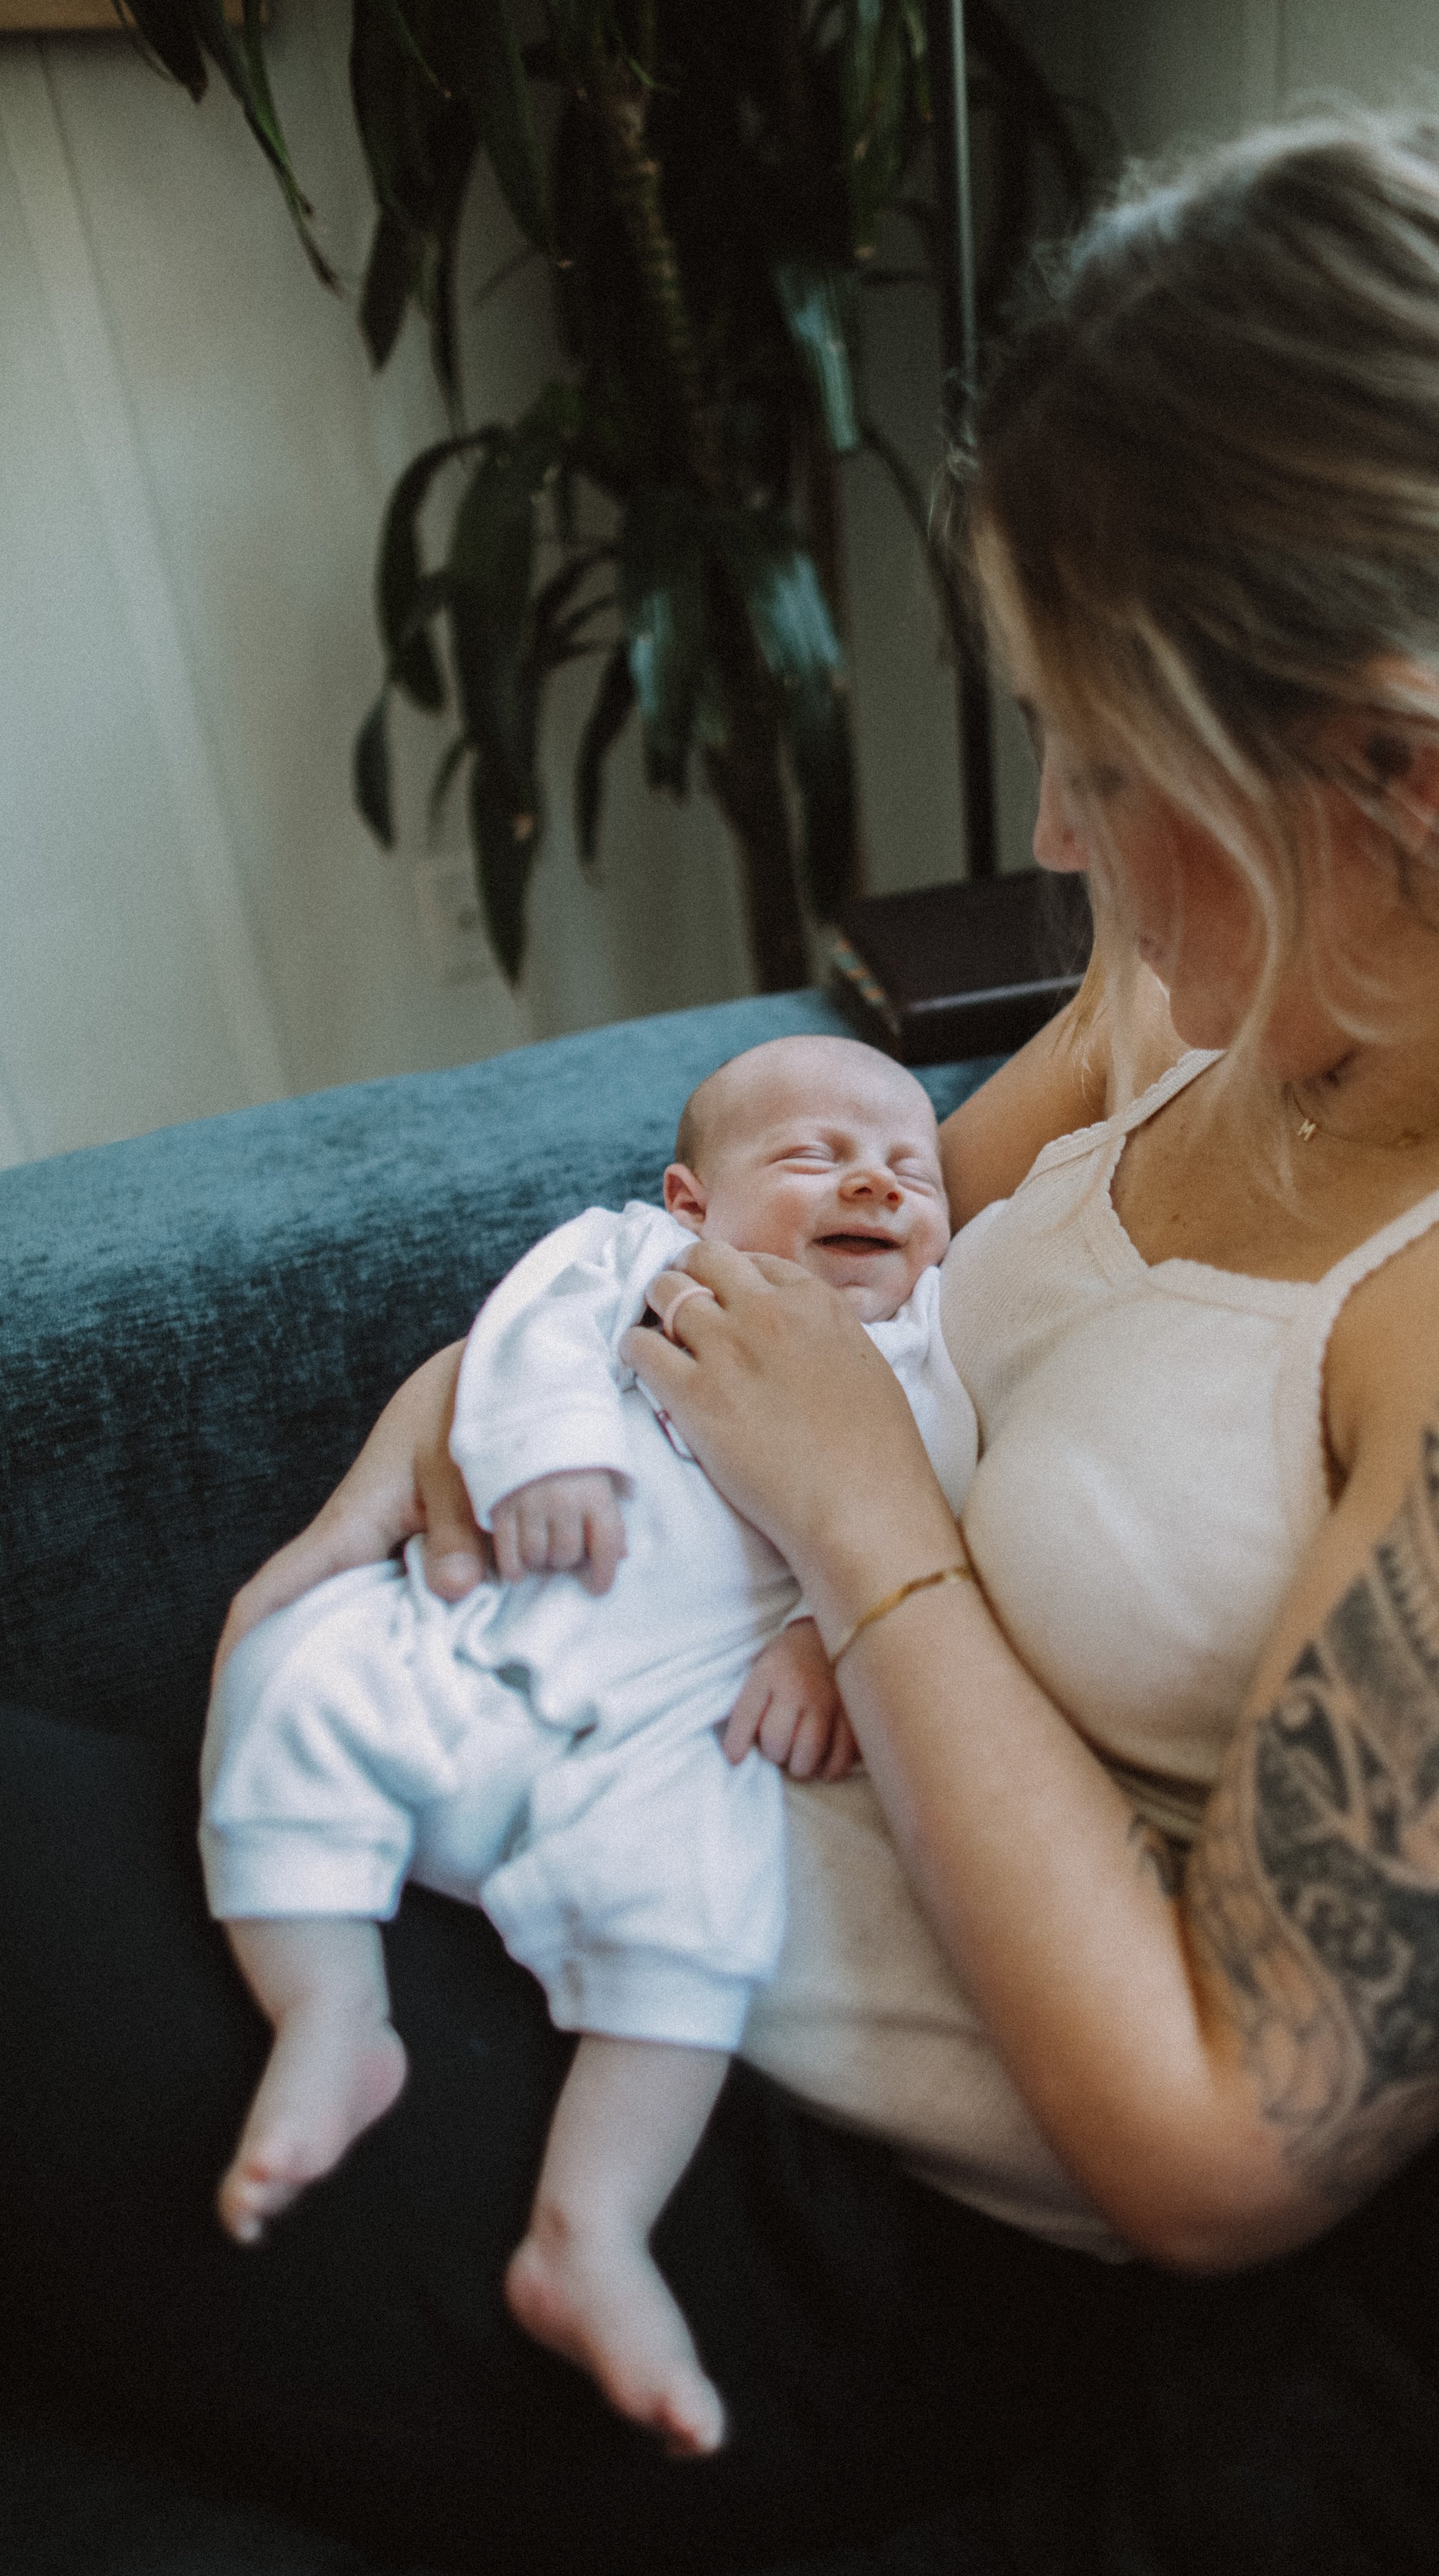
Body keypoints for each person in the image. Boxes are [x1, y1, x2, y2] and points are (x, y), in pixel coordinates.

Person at [7, 106, 1439, 2576]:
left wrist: (871, 1528)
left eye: (1111, 760)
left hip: (807, 2177)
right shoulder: (1203, 1003)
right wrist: (462, 1410)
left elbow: (1213, 2141)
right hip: (585, 1772)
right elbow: (785, 1249)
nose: (1044, 831)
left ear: (1398, 773)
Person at [200, 1033, 976, 2460]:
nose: (873, 1177)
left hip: (667, 1725)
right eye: (813, 1155)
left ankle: (589, 2232)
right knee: (290, 1662)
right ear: (687, 1199)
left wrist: (820, 1644)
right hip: (472, 1640)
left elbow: (921, 1512)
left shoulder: (923, 1355)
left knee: (702, 1911)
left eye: (909, 1170)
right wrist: (546, 1447)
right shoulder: (631, 1261)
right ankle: (330, 2012)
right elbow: (531, 1327)